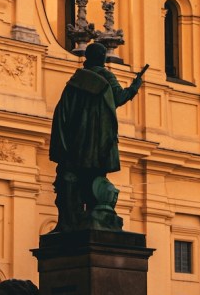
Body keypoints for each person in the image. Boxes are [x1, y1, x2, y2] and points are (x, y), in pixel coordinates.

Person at [49, 41, 148, 231]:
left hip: (77, 143)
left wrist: (64, 143)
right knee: (94, 180)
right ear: (102, 58)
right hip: (99, 143)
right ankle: (94, 217)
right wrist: (135, 87)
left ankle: (76, 220)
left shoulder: (75, 81)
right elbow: (119, 98)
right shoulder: (106, 77)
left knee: (75, 182)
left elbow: (62, 112)